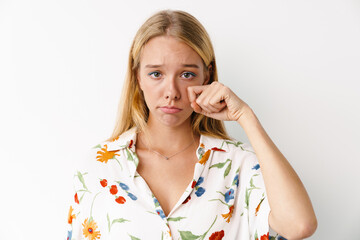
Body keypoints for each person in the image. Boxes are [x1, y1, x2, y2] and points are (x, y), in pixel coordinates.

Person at [66, 9, 317, 240]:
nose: (172, 92)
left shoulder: (237, 164)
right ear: (137, 77)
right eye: (156, 74)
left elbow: (299, 226)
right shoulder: (98, 167)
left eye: (187, 74)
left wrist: (246, 116)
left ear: (206, 76)